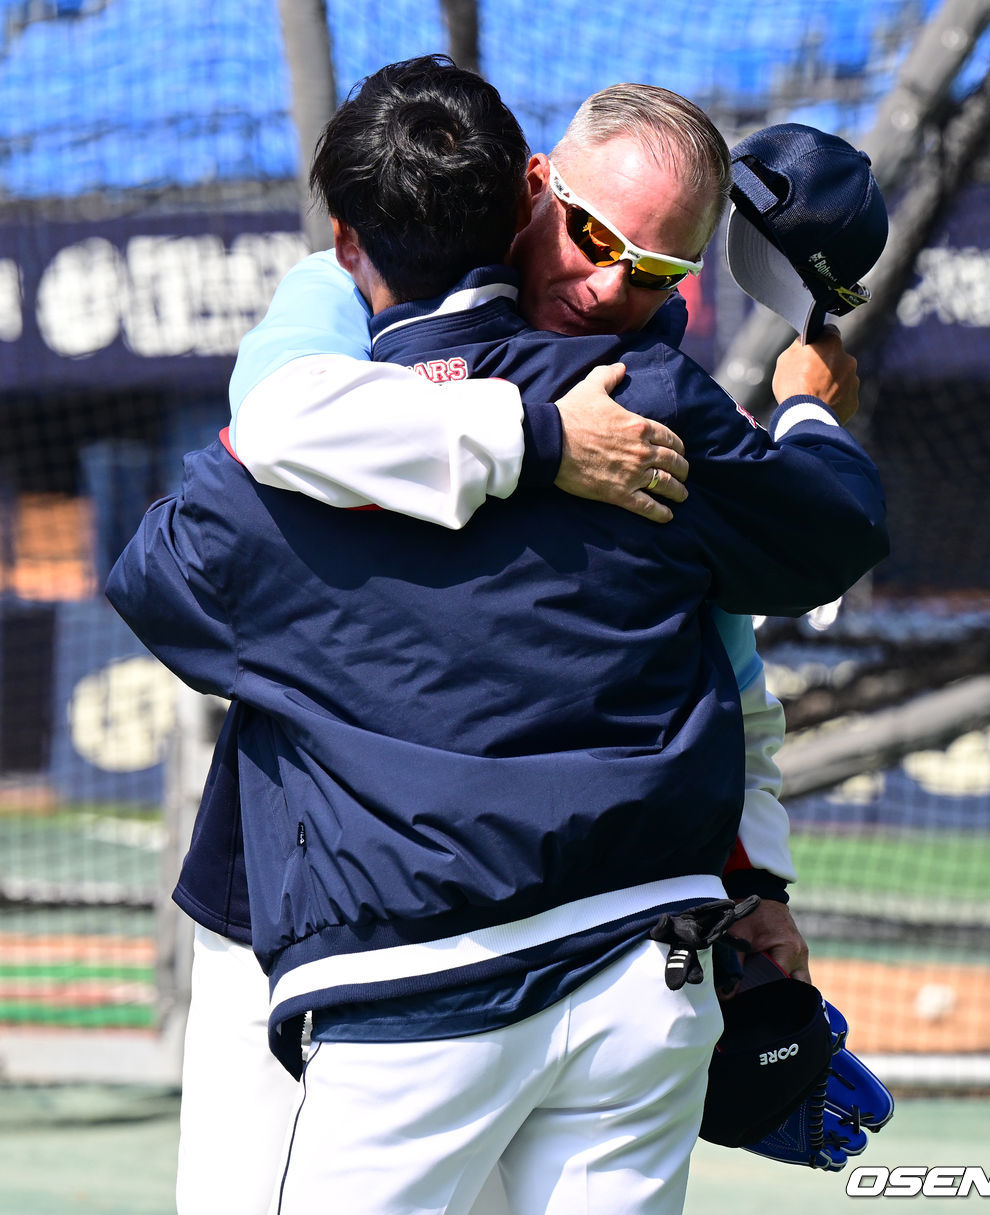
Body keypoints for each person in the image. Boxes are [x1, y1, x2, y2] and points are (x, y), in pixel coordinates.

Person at [112, 60, 887, 1214]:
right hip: (522, 955)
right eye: (589, 234)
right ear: (530, 187)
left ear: (348, 240)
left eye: (655, 266)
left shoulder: (633, 395)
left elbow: (164, 569)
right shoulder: (638, 405)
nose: (609, 281)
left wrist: (754, 875)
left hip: (413, 969)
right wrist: (543, 437)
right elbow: (815, 542)